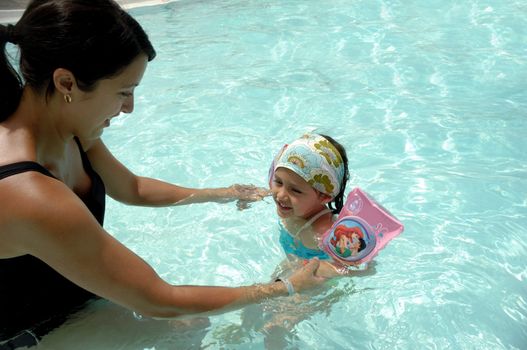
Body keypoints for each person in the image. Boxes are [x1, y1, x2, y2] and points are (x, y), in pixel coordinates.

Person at [0, 1, 325, 348]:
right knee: (185, 321)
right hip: (28, 334)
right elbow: (159, 298)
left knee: (189, 324)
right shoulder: (27, 193)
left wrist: (224, 193)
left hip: (75, 301)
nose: (129, 107)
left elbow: (133, 188)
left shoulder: (67, 129)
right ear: (66, 83)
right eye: (124, 92)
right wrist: (285, 287)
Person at [269, 133, 352, 278]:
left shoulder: (326, 232)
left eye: (295, 190)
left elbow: (350, 269)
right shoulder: (292, 205)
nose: (280, 195)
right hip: (292, 263)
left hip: (317, 282)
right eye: (278, 182)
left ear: (324, 196)